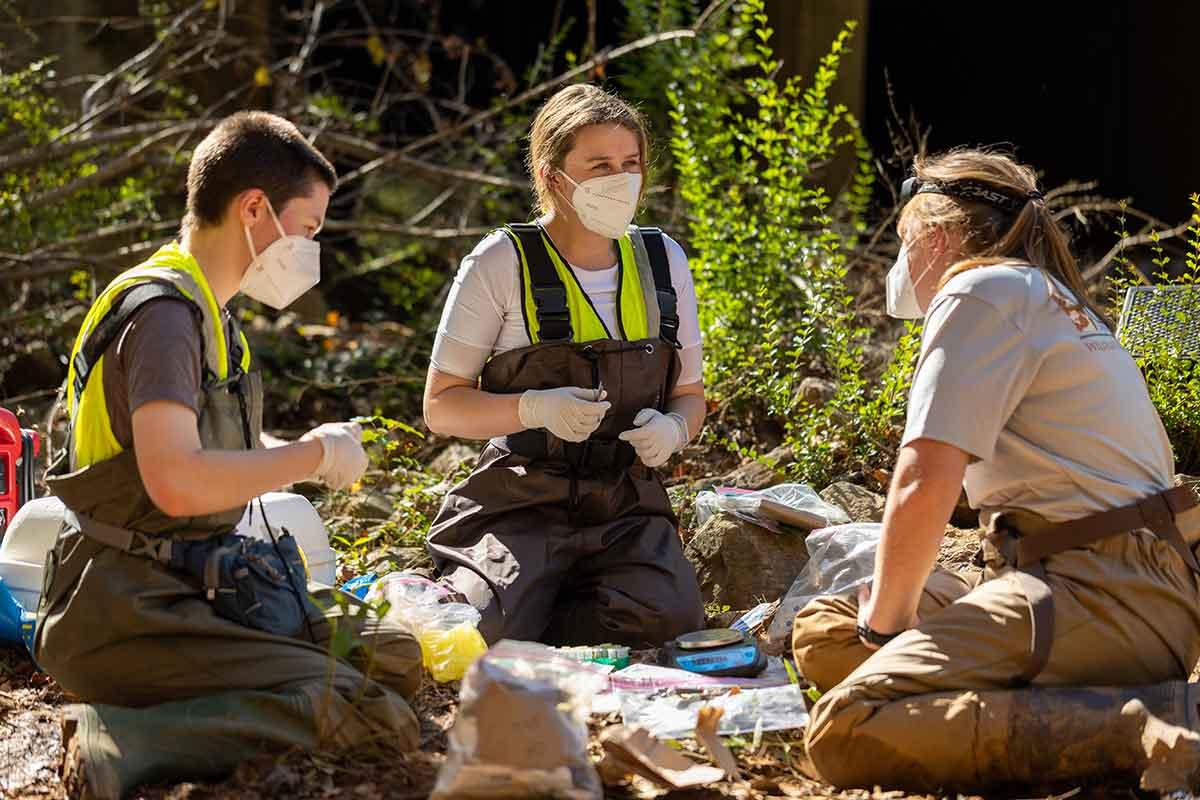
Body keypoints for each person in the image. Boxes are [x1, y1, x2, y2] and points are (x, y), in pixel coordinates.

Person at [37, 111, 423, 800]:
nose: (310, 249)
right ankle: (120, 742)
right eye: (307, 229)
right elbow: (178, 483)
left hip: (194, 579)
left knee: (392, 657)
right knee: (373, 715)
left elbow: (209, 447)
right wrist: (309, 457)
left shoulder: (211, 316)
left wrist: (315, 448)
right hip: (126, 606)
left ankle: (179, 707)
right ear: (254, 209)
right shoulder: (162, 318)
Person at [789, 148, 1200, 792]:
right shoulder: (1041, 293)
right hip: (1118, 582)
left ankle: (1144, 721)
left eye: (903, 238)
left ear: (940, 234)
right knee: (823, 635)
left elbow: (925, 480)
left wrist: (888, 627)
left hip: (1099, 591)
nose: (901, 261)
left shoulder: (980, 289)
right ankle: (1067, 698)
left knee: (845, 728)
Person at [421, 83, 706, 647]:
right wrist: (531, 408)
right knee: (473, 635)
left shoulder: (663, 259)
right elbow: (440, 405)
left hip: (625, 504)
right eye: (600, 165)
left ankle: (549, 607)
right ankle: (507, 598)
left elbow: (691, 394)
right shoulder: (500, 261)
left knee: (667, 626)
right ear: (554, 176)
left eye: (631, 164)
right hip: (522, 501)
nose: (621, 180)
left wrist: (674, 429)